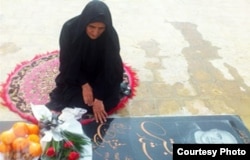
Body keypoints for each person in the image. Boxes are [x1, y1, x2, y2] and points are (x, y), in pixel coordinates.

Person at [46, 0, 124, 124]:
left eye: (101, 28)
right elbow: (67, 60)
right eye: (91, 27)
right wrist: (84, 84)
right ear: (85, 23)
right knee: (70, 97)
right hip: (76, 71)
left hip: (101, 74)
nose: (96, 32)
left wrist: (99, 96)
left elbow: (111, 67)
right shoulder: (69, 29)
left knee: (107, 102)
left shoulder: (110, 35)